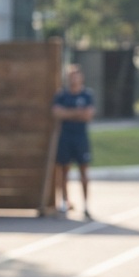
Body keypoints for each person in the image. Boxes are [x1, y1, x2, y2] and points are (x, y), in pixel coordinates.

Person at [51, 64, 95, 220]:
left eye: (76, 75)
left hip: (81, 137)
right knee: (63, 170)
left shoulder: (87, 95)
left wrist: (68, 113)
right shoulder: (62, 95)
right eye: (71, 75)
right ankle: (64, 201)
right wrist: (77, 113)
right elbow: (57, 113)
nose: (73, 78)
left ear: (81, 77)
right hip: (65, 137)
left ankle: (86, 204)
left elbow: (88, 115)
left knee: (84, 170)